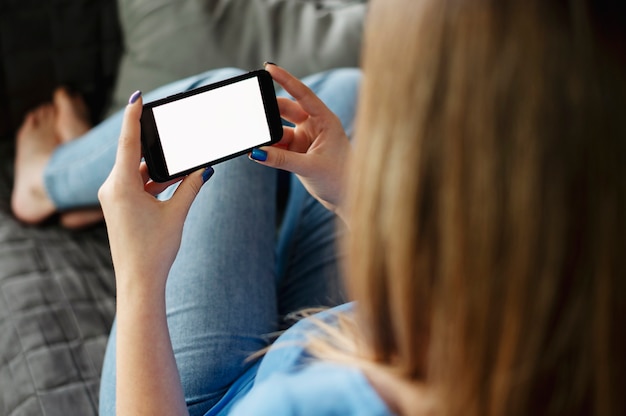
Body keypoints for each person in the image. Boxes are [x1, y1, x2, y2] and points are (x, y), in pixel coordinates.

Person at [20, 0, 626, 414]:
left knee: (221, 94)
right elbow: (462, 305)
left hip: (190, 399)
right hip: (315, 346)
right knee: (345, 93)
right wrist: (356, 194)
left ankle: (46, 179)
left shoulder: (313, 405)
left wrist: (140, 275)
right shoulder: (567, 305)